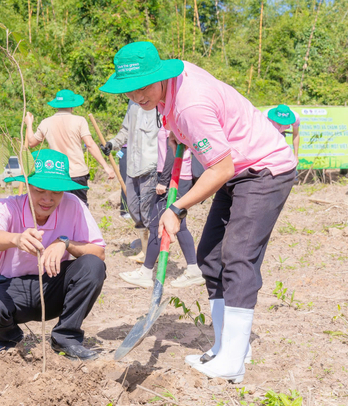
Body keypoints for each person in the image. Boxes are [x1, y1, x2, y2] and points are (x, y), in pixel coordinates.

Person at [100, 41, 296, 383]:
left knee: (238, 256)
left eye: (144, 87)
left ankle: (233, 361)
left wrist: (177, 208)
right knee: (209, 256)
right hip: (237, 169)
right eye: (129, 91)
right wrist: (177, 135)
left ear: (158, 76)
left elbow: (219, 168)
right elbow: (195, 137)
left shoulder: (191, 104)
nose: (138, 97)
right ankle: (229, 346)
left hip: (264, 168)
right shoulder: (173, 87)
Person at [0, 149, 106, 360]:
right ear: (27, 185)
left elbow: (99, 252)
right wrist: (15, 239)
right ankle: (9, 338)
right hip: (13, 288)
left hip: (53, 285)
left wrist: (65, 243)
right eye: (40, 190)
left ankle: (66, 337)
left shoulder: (74, 205)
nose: (47, 199)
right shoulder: (7, 206)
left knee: (92, 265)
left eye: (56, 192)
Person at [119, 127, 205, 288]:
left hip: (175, 178)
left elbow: (173, 153)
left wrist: (164, 181)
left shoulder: (173, 120)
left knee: (156, 224)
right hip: (174, 176)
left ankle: (146, 272)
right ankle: (193, 269)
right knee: (178, 224)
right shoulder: (168, 118)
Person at [25, 89, 115, 206]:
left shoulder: (45, 122)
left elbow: (31, 142)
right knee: (80, 208)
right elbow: (90, 144)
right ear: (72, 106)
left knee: (59, 208)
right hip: (78, 173)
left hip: (58, 172)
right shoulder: (79, 121)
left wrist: (29, 124)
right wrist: (106, 167)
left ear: (56, 106)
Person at [101, 100, 159, 264]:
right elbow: (125, 130)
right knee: (134, 209)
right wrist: (112, 144)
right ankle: (145, 247)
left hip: (152, 165)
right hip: (133, 166)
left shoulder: (157, 102)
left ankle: (151, 253)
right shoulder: (132, 103)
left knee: (148, 211)